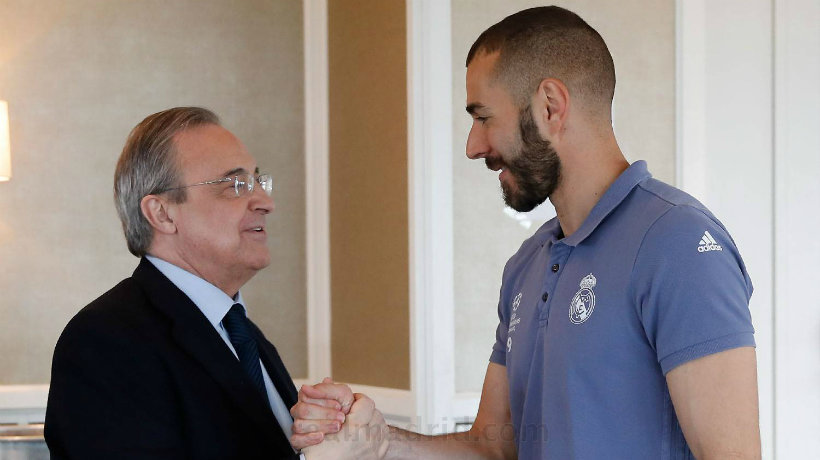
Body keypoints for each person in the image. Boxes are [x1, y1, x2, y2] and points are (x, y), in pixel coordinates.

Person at [291, 6, 760, 459]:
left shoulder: (678, 244)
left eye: (483, 117)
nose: (474, 147)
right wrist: (381, 442)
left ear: (550, 106)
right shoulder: (526, 265)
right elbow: (493, 448)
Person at [45, 107, 348, 459]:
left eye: (258, 181)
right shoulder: (104, 341)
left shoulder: (242, 333)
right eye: (235, 185)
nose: (267, 202)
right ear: (162, 213)